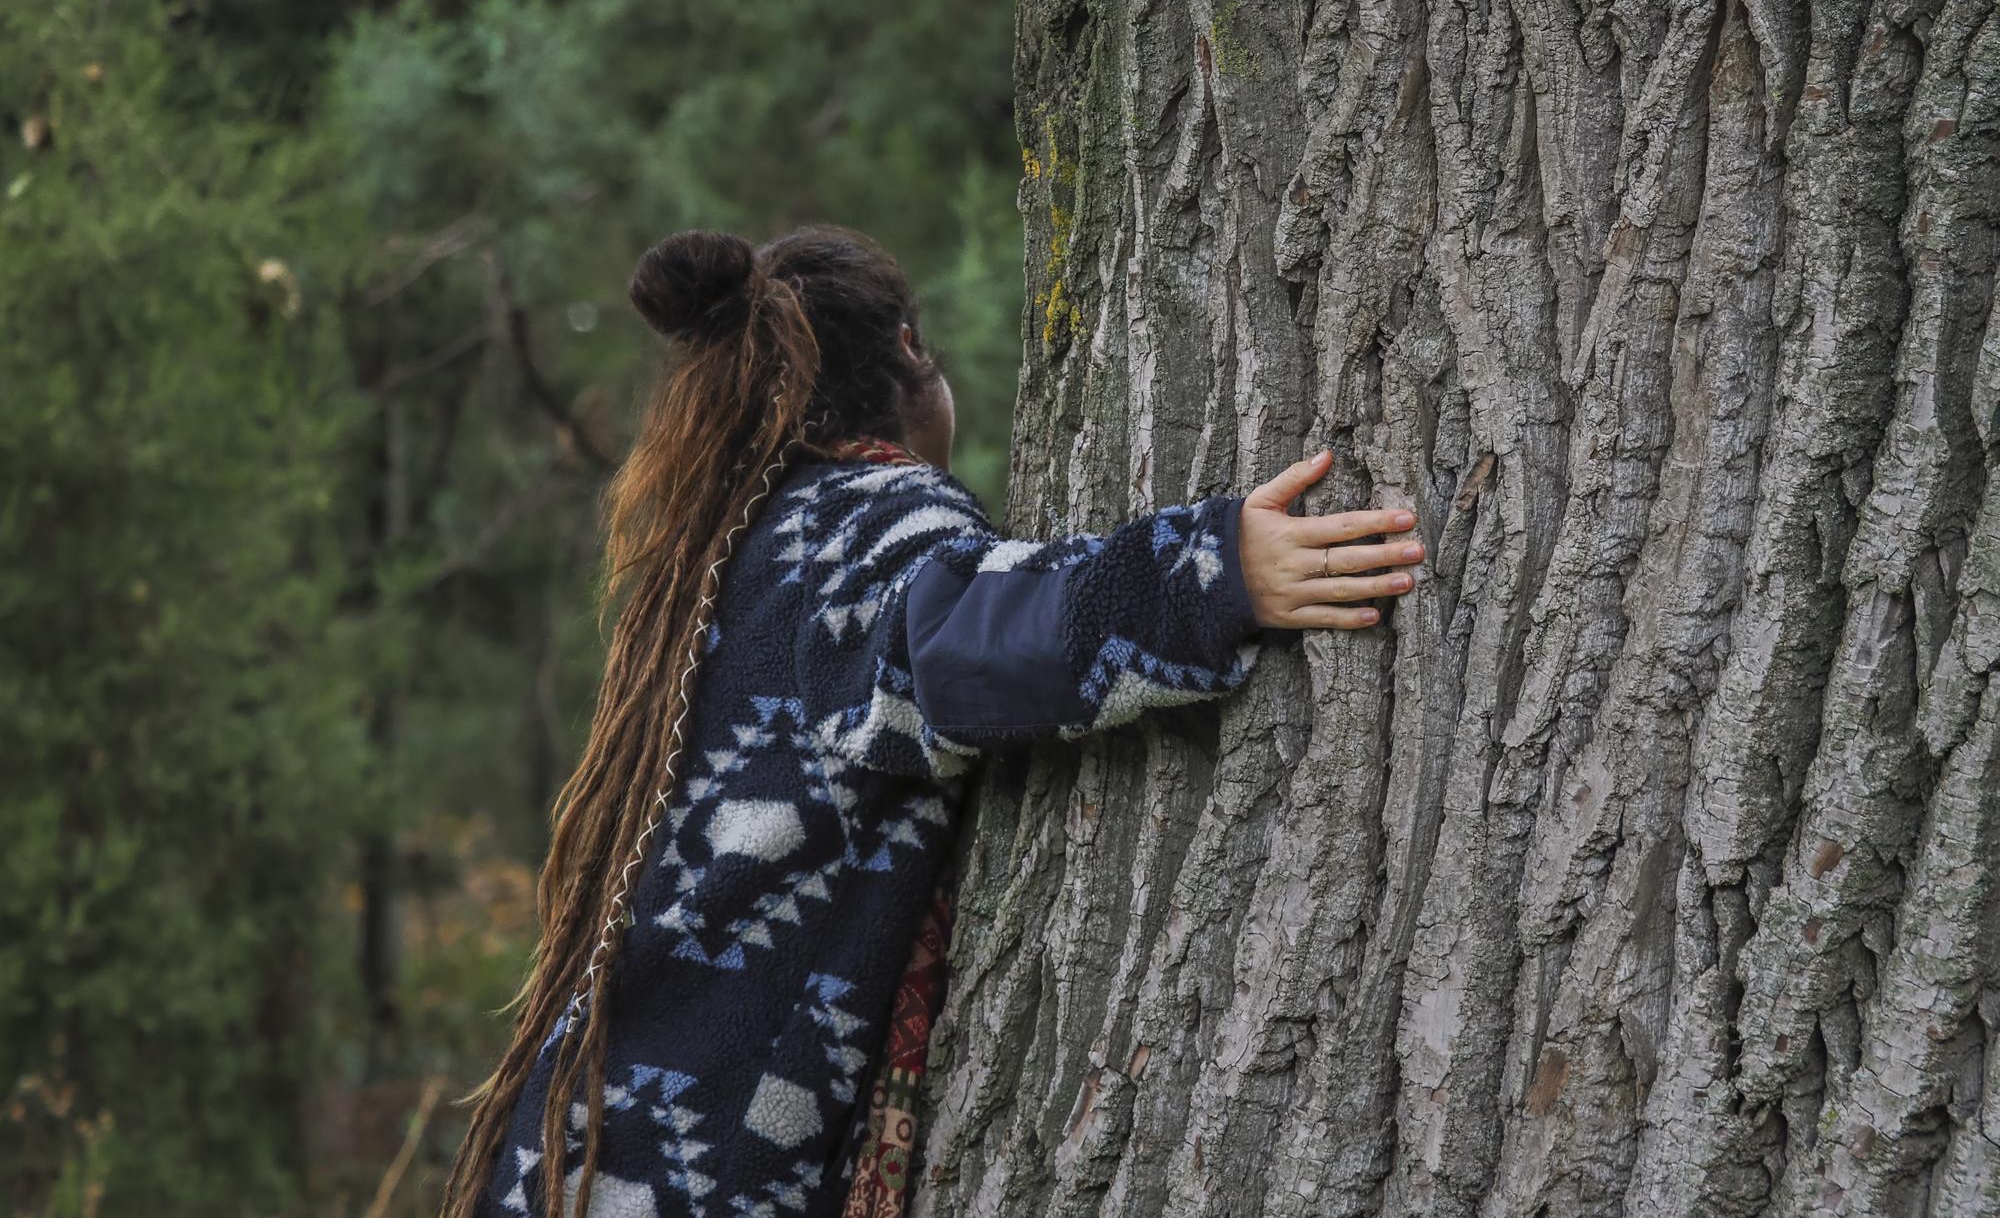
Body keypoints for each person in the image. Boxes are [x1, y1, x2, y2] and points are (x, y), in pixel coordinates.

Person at [441, 226, 1426, 1218]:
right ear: (910, 352)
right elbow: (959, 643)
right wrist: (1208, 575)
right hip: (688, 1171)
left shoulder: (738, 552)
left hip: (591, 1147)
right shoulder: (862, 524)